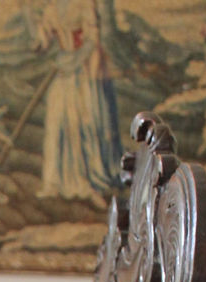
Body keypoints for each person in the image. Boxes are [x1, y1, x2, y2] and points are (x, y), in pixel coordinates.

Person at [35, 0, 122, 203]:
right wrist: (38, 36)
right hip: (63, 70)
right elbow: (44, 44)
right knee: (56, 123)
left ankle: (90, 183)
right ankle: (54, 183)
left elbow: (93, 40)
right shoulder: (50, 9)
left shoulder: (84, 4)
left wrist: (74, 59)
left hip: (83, 71)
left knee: (83, 122)